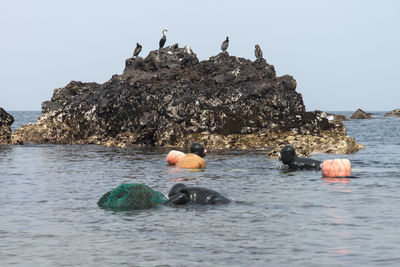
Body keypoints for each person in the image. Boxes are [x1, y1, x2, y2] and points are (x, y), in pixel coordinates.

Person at [166, 183, 231, 205]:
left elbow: (182, 196)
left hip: (217, 202)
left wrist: (163, 205)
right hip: (221, 200)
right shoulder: (192, 190)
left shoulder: (184, 193)